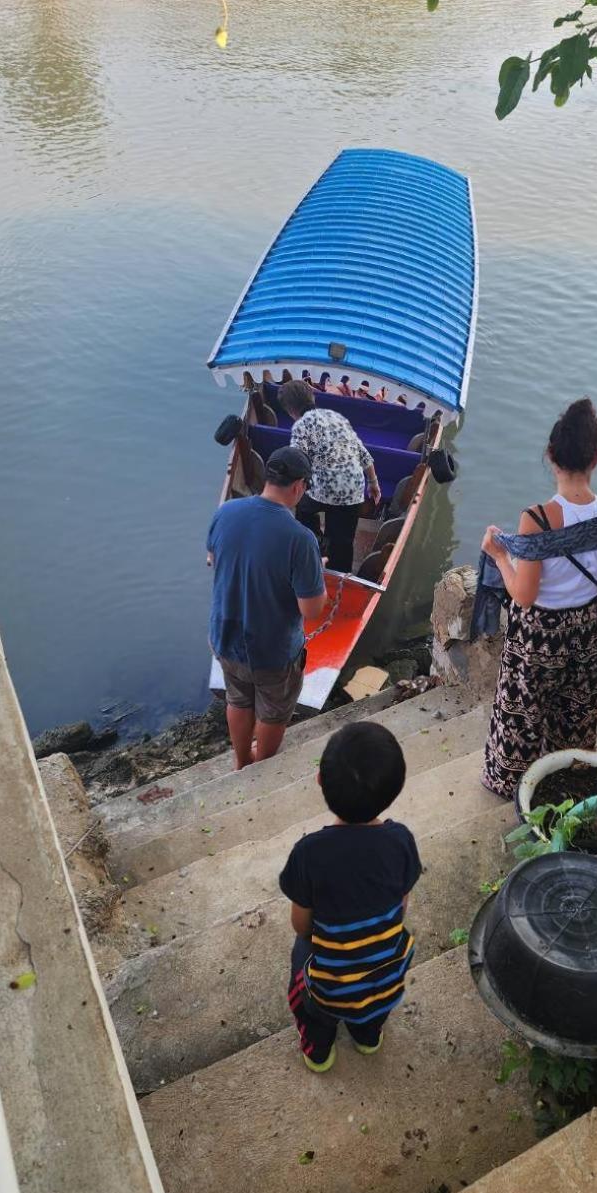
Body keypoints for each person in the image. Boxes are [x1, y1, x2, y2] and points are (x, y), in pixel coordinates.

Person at [479, 398, 597, 798]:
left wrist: (500, 555)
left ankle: (511, 783)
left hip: (538, 635)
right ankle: (569, 781)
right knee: (576, 709)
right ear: (596, 458)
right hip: (588, 628)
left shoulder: (537, 519)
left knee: (522, 713)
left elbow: (523, 596)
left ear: (551, 455)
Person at [279, 721, 421, 1074]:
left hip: (329, 991)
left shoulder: (308, 853)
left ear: (320, 781)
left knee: (303, 961)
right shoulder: (401, 840)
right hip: (388, 978)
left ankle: (319, 1053)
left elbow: (301, 925)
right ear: (395, 790)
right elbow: (400, 907)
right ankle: (367, 1037)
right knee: (371, 1011)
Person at [206, 446, 328, 769]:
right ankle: (260, 769)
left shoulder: (225, 512)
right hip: (272, 652)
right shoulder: (300, 539)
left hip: (225, 637)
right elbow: (312, 609)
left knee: (238, 697)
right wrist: (316, 570)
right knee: (273, 710)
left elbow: (211, 560)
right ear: (299, 487)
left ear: (267, 477)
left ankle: (241, 762)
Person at [278, 379, 382, 573]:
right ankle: (340, 573)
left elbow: (297, 463)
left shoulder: (301, 427)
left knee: (304, 510)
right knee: (343, 542)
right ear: (313, 397)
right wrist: (373, 482)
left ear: (290, 411)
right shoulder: (336, 418)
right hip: (353, 492)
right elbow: (363, 453)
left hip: (320, 493)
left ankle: (315, 542)